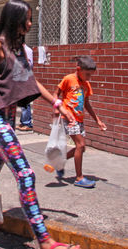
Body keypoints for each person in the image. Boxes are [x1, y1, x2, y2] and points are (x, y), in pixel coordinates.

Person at [0, 0, 79, 249]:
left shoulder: (19, 48)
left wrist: (58, 104)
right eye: (26, 19)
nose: (29, 23)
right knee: (26, 175)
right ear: (14, 20)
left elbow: (31, 81)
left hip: (9, 120)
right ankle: (45, 240)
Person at [52, 56, 107, 188]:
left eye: (91, 75)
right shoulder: (68, 79)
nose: (89, 78)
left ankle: (60, 160)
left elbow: (87, 104)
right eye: (87, 74)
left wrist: (97, 120)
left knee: (81, 148)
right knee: (80, 145)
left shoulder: (86, 84)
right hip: (68, 118)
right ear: (78, 69)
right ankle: (79, 178)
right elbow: (55, 94)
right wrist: (57, 108)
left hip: (79, 119)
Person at [16, 43, 34, 131]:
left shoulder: (27, 50)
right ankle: (23, 121)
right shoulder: (18, 50)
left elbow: (30, 65)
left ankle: (27, 123)